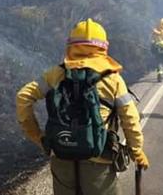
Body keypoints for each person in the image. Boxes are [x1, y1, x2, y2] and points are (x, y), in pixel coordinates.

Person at [16, 19, 149, 195]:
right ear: (103, 47)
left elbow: (23, 97)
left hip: (62, 154)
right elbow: (130, 119)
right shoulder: (112, 78)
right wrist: (136, 151)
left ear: (71, 45)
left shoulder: (56, 73)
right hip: (99, 159)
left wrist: (39, 137)